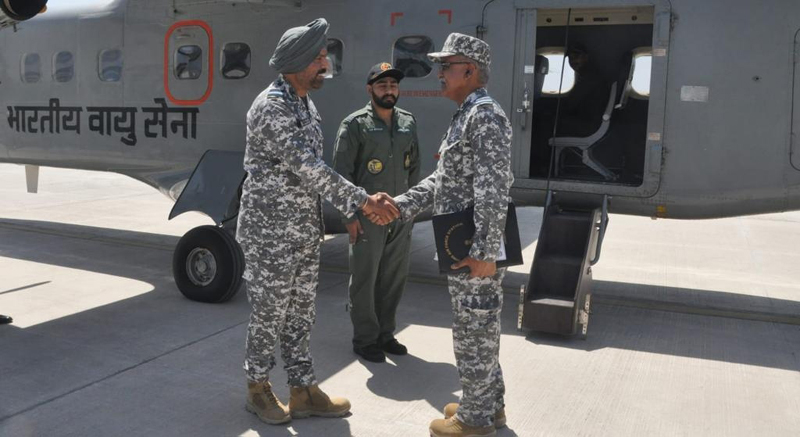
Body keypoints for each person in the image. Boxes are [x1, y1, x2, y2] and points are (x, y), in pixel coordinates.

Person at [235, 18, 399, 426]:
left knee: (301, 313)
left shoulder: (304, 103)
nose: (325, 64)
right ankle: (257, 388)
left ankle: (303, 389)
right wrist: (361, 200)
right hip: (270, 232)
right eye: (319, 58)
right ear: (297, 62)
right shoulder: (272, 106)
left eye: (324, 56)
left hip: (303, 230)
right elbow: (308, 167)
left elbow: (313, 171)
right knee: (269, 314)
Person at [392, 33, 513, 437]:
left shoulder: (485, 116)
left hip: (473, 250)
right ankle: (488, 405)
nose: (440, 73)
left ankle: (475, 422)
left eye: (447, 66)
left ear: (470, 71)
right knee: (479, 330)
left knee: (473, 332)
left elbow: (494, 190)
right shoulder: (465, 115)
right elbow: (443, 180)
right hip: (462, 244)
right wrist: (400, 205)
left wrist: (483, 253)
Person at [333, 62, 421, 363]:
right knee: (365, 279)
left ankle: (385, 334)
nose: (389, 90)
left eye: (393, 85)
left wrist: (409, 209)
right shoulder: (354, 125)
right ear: (370, 89)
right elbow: (341, 175)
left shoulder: (408, 123)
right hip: (367, 218)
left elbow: (415, 168)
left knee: (393, 278)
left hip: (398, 215)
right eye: (382, 85)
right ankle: (365, 339)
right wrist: (349, 217)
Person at [558, 42, 610, 137]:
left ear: (586, 57)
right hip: (588, 121)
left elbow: (571, 104)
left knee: (546, 121)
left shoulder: (590, 77)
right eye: (570, 58)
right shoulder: (588, 75)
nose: (573, 61)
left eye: (577, 56)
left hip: (588, 125)